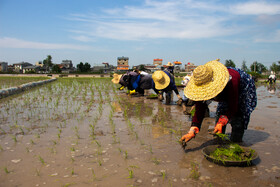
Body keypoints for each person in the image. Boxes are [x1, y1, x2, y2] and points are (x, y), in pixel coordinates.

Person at [180, 59, 257, 145]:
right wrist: (193, 130)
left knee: (238, 117)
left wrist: (223, 120)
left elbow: (233, 105)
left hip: (241, 88)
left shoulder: (231, 81)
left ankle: (236, 141)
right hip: (225, 91)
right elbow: (199, 109)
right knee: (220, 113)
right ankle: (218, 140)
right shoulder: (201, 82)